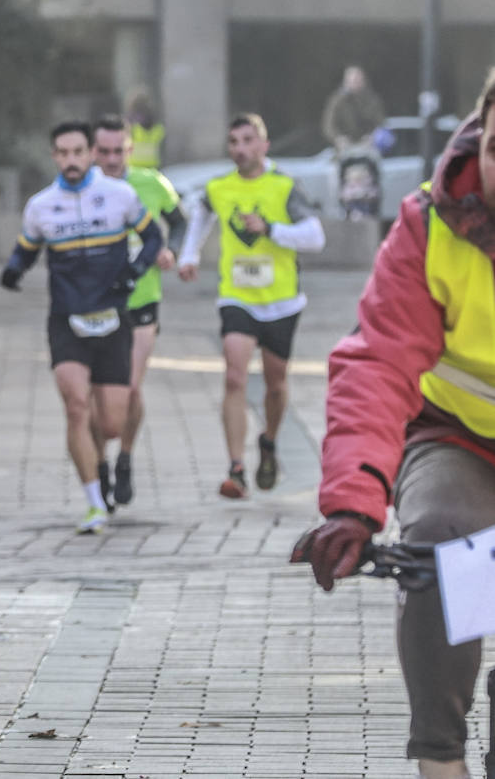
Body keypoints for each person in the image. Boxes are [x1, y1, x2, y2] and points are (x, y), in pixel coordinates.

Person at [295, 69, 495, 779]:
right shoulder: (431, 223)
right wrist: (352, 504)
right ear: (480, 136)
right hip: (458, 437)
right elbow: (377, 363)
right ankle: (442, 757)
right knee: (447, 546)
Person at [0, 120, 163, 534]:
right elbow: (27, 247)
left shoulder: (120, 197)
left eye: (78, 152)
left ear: (91, 153)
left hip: (112, 320)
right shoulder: (41, 205)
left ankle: (105, 459)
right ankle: (94, 503)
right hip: (66, 320)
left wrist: (133, 273)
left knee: (110, 423)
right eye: (62, 153)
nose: (70, 161)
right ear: (54, 156)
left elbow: (155, 239)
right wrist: (13, 271)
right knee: (75, 406)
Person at [177, 113, 326, 499]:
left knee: (275, 384)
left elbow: (315, 237)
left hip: (281, 300)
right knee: (234, 375)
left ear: (264, 145)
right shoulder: (219, 187)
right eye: (233, 142)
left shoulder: (284, 186)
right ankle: (235, 468)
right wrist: (189, 255)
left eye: (247, 141)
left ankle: (269, 442)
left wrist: (271, 230)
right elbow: (201, 215)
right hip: (237, 296)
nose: (240, 149)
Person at [89, 114, 186, 509]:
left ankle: (125, 457)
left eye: (119, 151)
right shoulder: (82, 188)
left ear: (129, 149)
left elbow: (178, 223)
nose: (112, 160)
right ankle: (99, 467)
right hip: (94, 304)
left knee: (129, 389)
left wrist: (171, 250)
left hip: (142, 301)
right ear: (94, 151)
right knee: (98, 398)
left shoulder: (151, 183)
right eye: (104, 152)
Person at [322, 65, 387, 150]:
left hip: (369, 147)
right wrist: (338, 138)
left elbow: (381, 123)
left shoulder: (373, 100)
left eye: (357, 79)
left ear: (363, 80)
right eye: (352, 80)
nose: (355, 83)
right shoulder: (337, 101)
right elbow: (328, 125)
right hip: (344, 149)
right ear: (345, 81)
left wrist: (373, 137)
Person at [125, 87, 165, 171]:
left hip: (135, 165)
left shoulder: (131, 119)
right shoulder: (154, 117)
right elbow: (161, 132)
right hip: (152, 164)